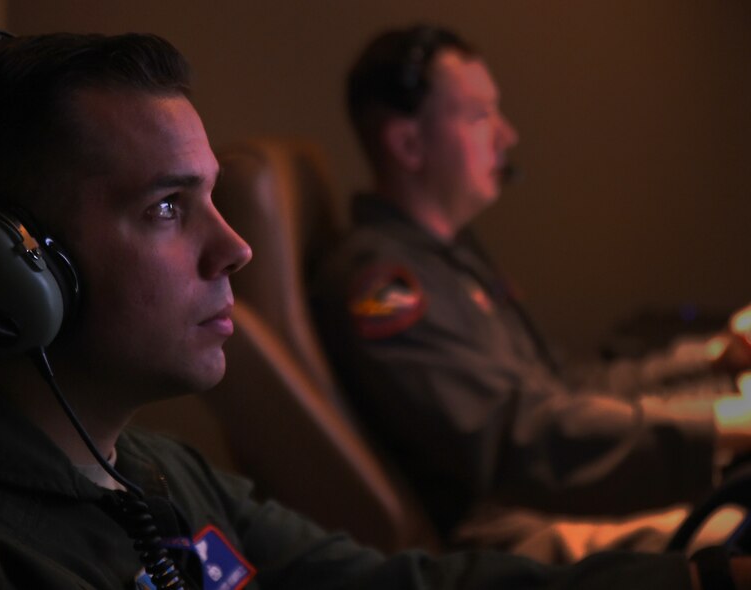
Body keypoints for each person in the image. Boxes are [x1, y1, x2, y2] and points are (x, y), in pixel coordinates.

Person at [0, 27, 744, 590]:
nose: (236, 248)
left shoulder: (156, 473)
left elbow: (400, 587)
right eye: (168, 208)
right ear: (10, 271)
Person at [309, 23, 751, 563]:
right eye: (479, 115)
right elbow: (520, 443)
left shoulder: (447, 257)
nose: (507, 134)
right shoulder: (384, 287)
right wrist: (728, 424)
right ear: (407, 143)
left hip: (550, 503)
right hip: (517, 535)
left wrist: (712, 360)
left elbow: (561, 387)